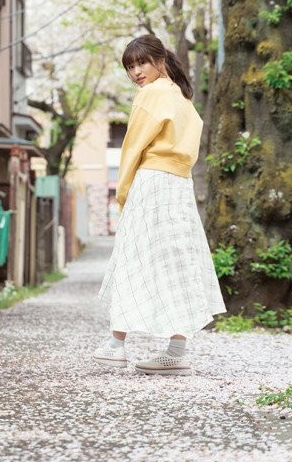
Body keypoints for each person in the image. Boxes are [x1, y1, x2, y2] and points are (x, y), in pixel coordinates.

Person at [93, 34, 226, 375]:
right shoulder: (183, 98)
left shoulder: (150, 95)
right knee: (177, 260)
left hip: (152, 181)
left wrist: (124, 193)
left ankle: (116, 345)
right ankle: (176, 349)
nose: (136, 72)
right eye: (130, 66)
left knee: (133, 256)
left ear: (160, 60)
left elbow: (132, 148)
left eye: (141, 63)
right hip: (180, 184)